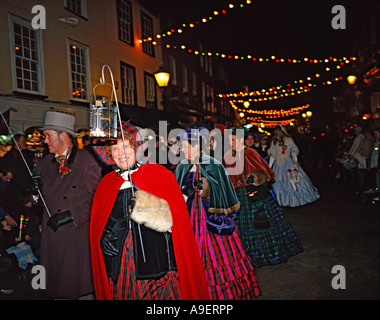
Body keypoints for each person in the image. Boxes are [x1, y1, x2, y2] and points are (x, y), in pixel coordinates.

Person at [90, 122, 209, 300]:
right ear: (109, 154)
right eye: (115, 148)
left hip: (158, 262)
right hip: (121, 261)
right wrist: (105, 235)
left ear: (136, 148)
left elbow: (176, 222)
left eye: (125, 146)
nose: (120, 153)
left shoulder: (159, 175)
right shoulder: (106, 183)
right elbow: (100, 223)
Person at [174, 127, 260, 300]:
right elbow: (175, 191)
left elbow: (224, 192)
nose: (182, 150)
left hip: (210, 219)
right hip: (188, 218)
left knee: (217, 259)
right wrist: (184, 191)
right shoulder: (182, 166)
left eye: (186, 146)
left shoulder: (213, 164)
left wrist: (205, 187)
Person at [35, 111, 102, 299]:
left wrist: (71, 215)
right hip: (52, 235)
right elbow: (46, 199)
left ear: (63, 135)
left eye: (48, 136)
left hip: (74, 237)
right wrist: (35, 194)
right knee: (57, 287)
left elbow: (97, 199)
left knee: (77, 286)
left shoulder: (87, 162)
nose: (45, 141)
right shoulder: (46, 163)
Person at [224, 130, 303, 267]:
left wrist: (254, 179)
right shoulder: (228, 156)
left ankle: (270, 254)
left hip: (255, 193)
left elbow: (265, 173)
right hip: (239, 194)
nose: (231, 143)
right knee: (244, 226)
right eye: (230, 141)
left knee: (262, 223)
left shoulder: (250, 153)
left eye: (234, 140)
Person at [268, 124, 320, 207]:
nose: (277, 132)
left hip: (288, 163)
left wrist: (295, 162)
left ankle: (295, 200)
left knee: (293, 181)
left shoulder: (288, 140)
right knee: (278, 181)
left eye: (278, 130)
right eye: (276, 130)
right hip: (278, 165)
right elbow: (272, 156)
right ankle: (280, 200)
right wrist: (269, 167)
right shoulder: (274, 142)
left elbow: (294, 152)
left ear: (282, 131)